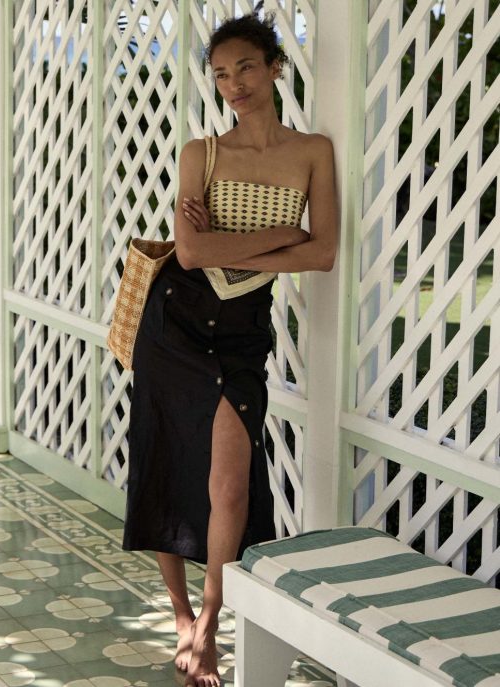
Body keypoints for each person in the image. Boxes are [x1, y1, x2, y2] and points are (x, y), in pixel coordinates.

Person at [121, 2, 337, 686]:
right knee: (163, 463)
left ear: (275, 68)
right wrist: (283, 236)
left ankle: (212, 622)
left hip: (241, 334)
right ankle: (181, 614)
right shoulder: (201, 153)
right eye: (220, 74)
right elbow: (189, 254)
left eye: (246, 67)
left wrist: (229, 241)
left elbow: (324, 253)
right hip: (174, 325)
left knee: (229, 485)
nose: (234, 84)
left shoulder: (313, 152)